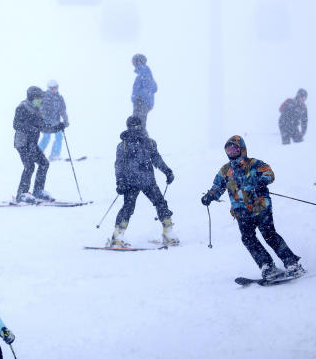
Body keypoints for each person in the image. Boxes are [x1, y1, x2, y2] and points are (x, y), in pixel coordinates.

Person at [201, 135, 304, 280]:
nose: (231, 152)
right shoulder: (225, 170)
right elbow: (217, 186)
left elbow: (269, 173)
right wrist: (210, 196)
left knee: (268, 234)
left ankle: (292, 263)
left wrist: (260, 182)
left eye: (234, 149)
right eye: (228, 150)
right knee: (248, 238)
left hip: (259, 205)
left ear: (242, 149)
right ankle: (267, 265)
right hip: (240, 211)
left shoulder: (254, 163)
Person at [107, 116, 177, 247]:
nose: (135, 128)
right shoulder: (123, 146)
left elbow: (157, 160)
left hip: (147, 181)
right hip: (131, 182)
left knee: (160, 203)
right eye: (132, 126)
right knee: (129, 208)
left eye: (137, 126)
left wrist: (167, 171)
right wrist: (120, 182)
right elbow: (119, 165)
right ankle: (117, 237)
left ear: (141, 126)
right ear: (128, 127)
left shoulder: (149, 143)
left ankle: (168, 233)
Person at [13, 86, 53, 203]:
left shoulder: (38, 109)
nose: (39, 100)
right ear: (31, 97)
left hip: (32, 144)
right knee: (29, 166)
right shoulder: (22, 107)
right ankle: (22, 194)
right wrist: (31, 129)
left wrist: (57, 127)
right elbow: (16, 124)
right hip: (22, 143)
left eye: (40, 98)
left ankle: (38, 191)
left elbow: (43, 126)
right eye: (37, 98)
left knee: (44, 163)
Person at [38, 80, 69, 161]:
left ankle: (54, 154)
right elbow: (40, 109)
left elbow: (63, 110)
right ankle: (38, 153)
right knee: (46, 137)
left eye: (55, 88)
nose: (54, 89)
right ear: (49, 88)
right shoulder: (44, 97)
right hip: (46, 122)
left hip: (56, 122)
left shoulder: (59, 98)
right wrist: (42, 118)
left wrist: (65, 120)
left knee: (59, 137)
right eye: (52, 88)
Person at [131, 53, 157, 129]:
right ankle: (138, 134)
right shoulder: (142, 72)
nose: (133, 64)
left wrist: (139, 97)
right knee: (138, 122)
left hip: (141, 102)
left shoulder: (144, 71)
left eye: (134, 61)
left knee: (138, 122)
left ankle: (139, 135)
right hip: (141, 102)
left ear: (138, 61)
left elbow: (149, 87)